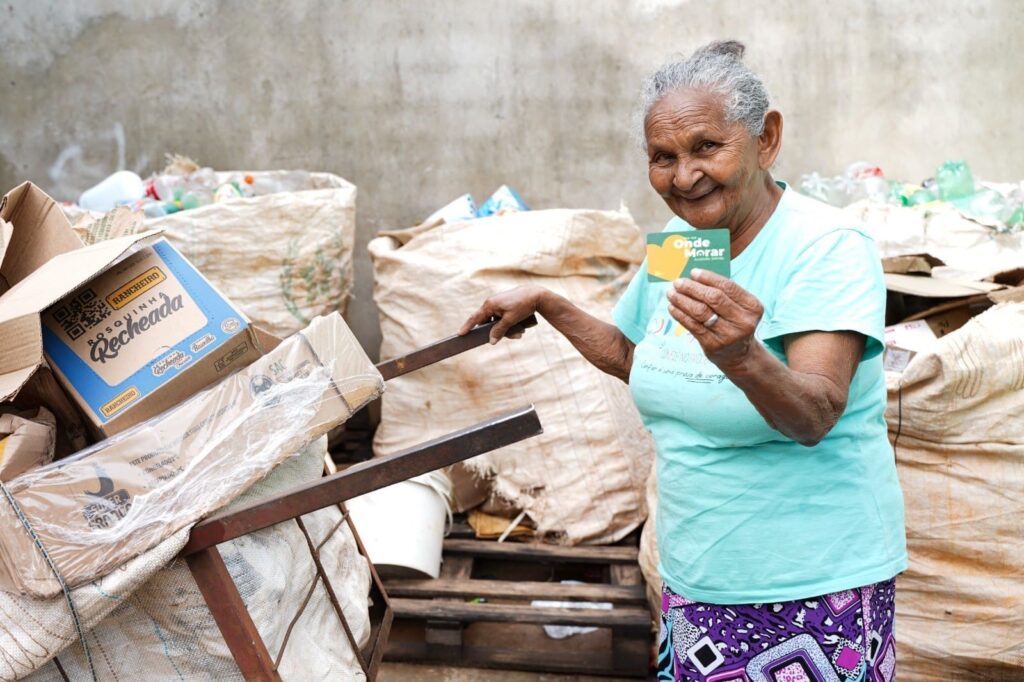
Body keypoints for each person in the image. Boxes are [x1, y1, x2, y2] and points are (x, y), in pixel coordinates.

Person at [459, 40, 906, 682]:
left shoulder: (827, 247)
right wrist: (551, 304)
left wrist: (742, 355)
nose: (684, 175)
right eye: (662, 157)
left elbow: (816, 414)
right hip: (698, 581)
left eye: (706, 147)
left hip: (811, 587)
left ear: (766, 139)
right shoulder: (683, 244)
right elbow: (639, 356)